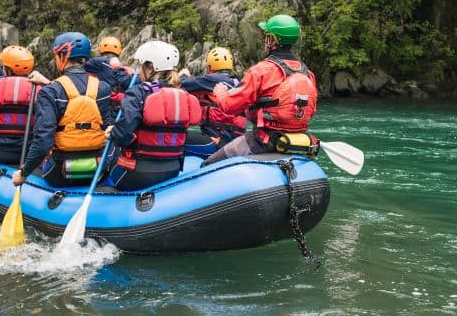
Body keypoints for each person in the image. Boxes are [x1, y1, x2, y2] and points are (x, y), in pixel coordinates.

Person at [201, 14, 318, 166]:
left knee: (209, 164)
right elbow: (312, 111)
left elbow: (228, 106)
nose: (265, 41)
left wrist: (220, 92)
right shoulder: (308, 74)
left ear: (272, 40)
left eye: (266, 36)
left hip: (262, 141)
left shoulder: (261, 71)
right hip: (297, 140)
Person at [12, 32, 112, 187]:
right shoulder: (103, 88)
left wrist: (23, 173)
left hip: (61, 172)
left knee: (41, 164)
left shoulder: (50, 92)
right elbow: (107, 129)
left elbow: (43, 141)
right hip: (97, 169)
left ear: (62, 57)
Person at [105, 40, 201, 190]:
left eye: (140, 66)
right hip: (173, 170)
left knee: (109, 162)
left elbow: (123, 135)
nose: (138, 70)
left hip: (138, 173)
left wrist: (113, 133)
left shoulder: (138, 92)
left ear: (150, 68)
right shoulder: (183, 95)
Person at [180, 46, 246, 154]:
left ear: (210, 68)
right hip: (233, 142)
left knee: (175, 137)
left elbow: (182, 84)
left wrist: (183, 75)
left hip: (217, 142)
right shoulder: (236, 81)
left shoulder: (212, 80)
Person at [84, 35, 134, 111]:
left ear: (101, 49)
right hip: (121, 108)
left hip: (104, 106)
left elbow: (83, 65)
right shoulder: (126, 69)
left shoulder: (98, 62)